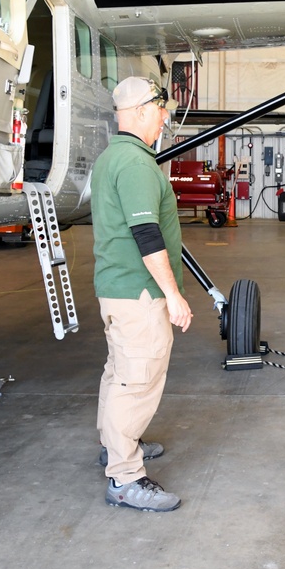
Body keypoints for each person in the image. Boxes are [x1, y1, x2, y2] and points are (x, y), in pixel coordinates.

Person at [92, 76, 193, 512]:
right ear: (137, 113)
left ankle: (115, 446)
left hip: (118, 289)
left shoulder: (113, 157)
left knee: (120, 373)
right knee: (138, 380)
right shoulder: (134, 163)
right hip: (138, 292)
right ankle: (124, 477)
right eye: (158, 109)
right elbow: (146, 235)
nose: (164, 118)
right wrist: (173, 294)